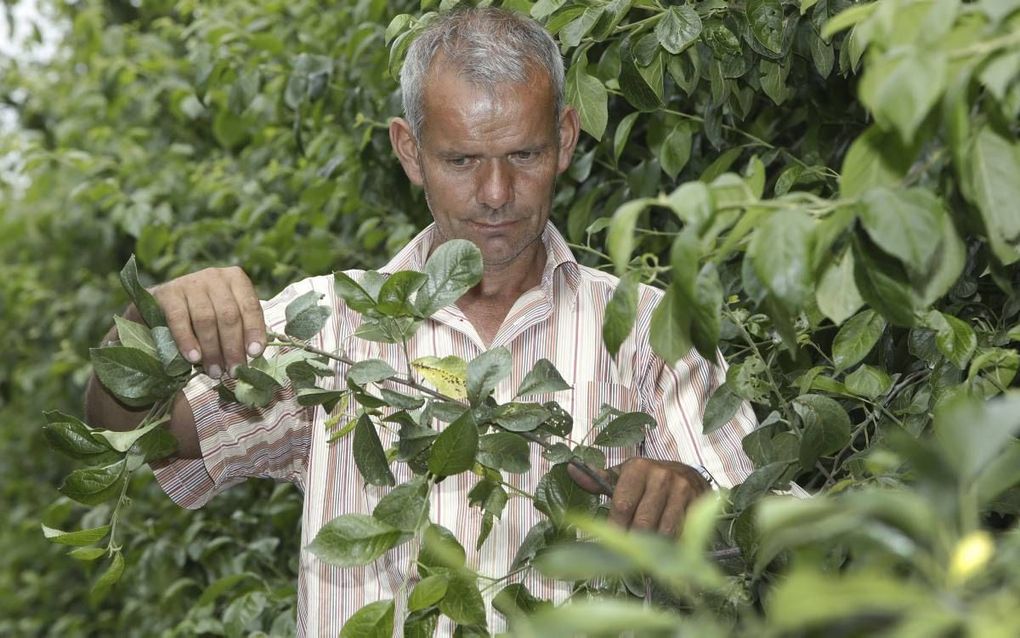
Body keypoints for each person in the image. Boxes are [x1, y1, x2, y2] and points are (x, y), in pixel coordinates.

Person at [85, 7, 756, 635]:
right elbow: (140, 433)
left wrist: (697, 498)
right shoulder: (326, 329)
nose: (496, 194)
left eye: (522, 155)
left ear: (565, 140)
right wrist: (151, 331)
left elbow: (761, 537)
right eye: (462, 160)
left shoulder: (645, 330)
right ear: (410, 152)